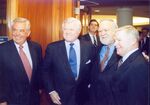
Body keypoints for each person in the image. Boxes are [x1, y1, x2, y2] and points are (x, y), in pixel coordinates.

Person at [41, 17, 96, 105]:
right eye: (65, 29)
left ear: (79, 31)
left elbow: (94, 69)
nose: (67, 32)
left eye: (71, 29)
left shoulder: (89, 47)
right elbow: (45, 71)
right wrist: (51, 91)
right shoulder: (52, 48)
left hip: (83, 97)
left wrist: (90, 85)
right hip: (59, 97)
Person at [0, 17, 43, 105]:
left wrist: (40, 88)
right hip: (11, 100)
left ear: (28, 33)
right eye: (15, 30)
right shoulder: (2, 49)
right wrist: (2, 100)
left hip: (33, 99)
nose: (17, 34)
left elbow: (39, 71)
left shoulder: (36, 47)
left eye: (21, 31)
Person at [111, 25, 148, 105]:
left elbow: (136, 101)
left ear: (132, 41)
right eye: (115, 40)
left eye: (119, 40)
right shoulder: (125, 59)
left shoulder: (138, 66)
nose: (115, 44)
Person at [90, 19, 120, 105]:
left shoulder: (123, 51)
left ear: (115, 32)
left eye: (106, 30)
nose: (102, 34)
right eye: (100, 31)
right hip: (95, 98)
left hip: (114, 99)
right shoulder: (95, 49)